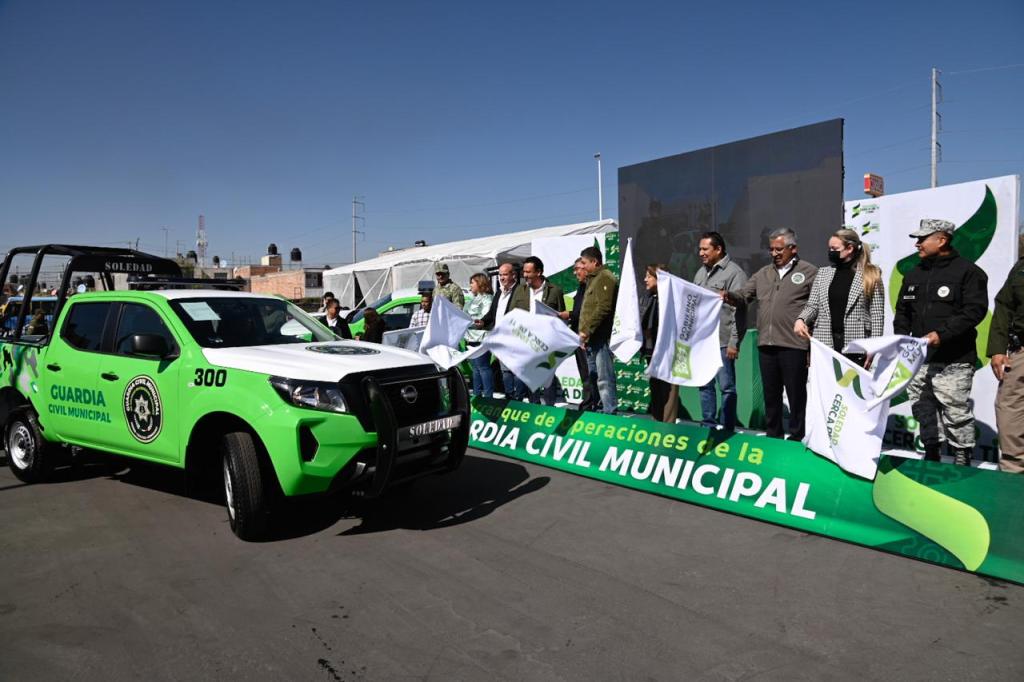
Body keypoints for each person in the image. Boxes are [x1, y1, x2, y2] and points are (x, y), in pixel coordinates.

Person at [895, 218, 988, 466]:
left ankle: (961, 457)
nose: (917, 244)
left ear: (942, 239)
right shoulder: (913, 273)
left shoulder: (969, 272)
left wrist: (941, 334)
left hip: (954, 359)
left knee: (956, 411)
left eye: (922, 239)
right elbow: (902, 312)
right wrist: (902, 340)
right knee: (922, 409)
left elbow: (974, 311)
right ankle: (931, 453)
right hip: (920, 360)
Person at [724, 228, 816, 441]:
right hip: (767, 344)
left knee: (796, 395)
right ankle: (773, 436)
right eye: (771, 249)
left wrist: (812, 345)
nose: (774, 253)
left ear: (793, 249)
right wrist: (729, 295)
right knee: (771, 395)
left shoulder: (810, 271)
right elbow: (744, 295)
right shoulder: (763, 273)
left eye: (779, 249)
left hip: (795, 344)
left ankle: (796, 436)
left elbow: (817, 307)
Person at [794, 229, 884, 366]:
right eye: (829, 248)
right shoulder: (823, 273)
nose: (831, 252)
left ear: (849, 248)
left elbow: (877, 315)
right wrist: (801, 319)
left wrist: (874, 348)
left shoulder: (870, 274)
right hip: (825, 343)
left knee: (853, 385)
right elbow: (813, 305)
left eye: (834, 248)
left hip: (857, 344)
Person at [693, 232, 747, 431]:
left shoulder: (734, 273)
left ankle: (727, 428)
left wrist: (734, 342)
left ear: (718, 249)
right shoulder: (700, 273)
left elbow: (739, 310)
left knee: (726, 387)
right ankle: (708, 424)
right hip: (703, 342)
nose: (701, 253)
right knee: (704, 385)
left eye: (705, 249)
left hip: (723, 342)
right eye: (700, 249)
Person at [987, 239, 1024, 473]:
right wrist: (998, 349)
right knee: (1009, 407)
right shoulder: (1021, 268)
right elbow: (1003, 306)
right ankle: (1013, 473)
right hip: (1021, 351)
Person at [578, 246, 619, 414]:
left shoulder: (605, 277)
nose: (582, 266)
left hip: (601, 338)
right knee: (594, 377)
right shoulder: (592, 279)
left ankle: (610, 413)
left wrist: (586, 330)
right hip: (590, 339)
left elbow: (604, 307)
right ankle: (600, 409)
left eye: (584, 262)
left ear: (595, 262)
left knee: (604, 379)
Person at [476, 262, 523, 399]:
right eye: (500, 275)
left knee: (517, 370)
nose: (502, 278)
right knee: (505, 371)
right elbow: (492, 313)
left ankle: (519, 398)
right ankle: (509, 396)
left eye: (505, 274)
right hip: (501, 339)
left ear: (513, 275)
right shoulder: (499, 292)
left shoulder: (521, 290)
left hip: (515, 338)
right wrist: (483, 321)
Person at [640, 264, 680, 422]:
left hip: (668, 353)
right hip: (652, 352)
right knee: (655, 389)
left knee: (669, 391)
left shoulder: (671, 299)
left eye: (649, 276)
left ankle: (667, 427)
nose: (645, 280)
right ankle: (656, 424)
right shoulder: (649, 297)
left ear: (660, 279)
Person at [561, 258, 598, 410]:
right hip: (578, 336)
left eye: (577, 269)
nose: (575, 272)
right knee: (584, 373)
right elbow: (578, 311)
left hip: (587, 337)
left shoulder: (592, 286)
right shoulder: (581, 287)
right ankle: (589, 402)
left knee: (591, 374)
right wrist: (568, 314)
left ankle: (591, 404)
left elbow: (591, 312)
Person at [464, 273, 495, 398]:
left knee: (483, 368)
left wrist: (469, 322)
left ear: (480, 283)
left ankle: (488, 396)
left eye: (472, 282)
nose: (470, 285)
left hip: (481, 338)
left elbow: (484, 319)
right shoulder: (472, 299)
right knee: (475, 369)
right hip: (470, 337)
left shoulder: (487, 298)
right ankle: (477, 395)